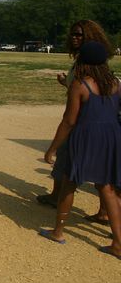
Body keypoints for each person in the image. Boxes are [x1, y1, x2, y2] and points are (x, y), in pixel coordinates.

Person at [38, 41, 121, 259]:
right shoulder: (115, 83)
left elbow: (69, 121)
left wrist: (52, 149)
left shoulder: (80, 85)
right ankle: (118, 242)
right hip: (111, 137)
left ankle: (58, 231)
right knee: (107, 188)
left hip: (86, 137)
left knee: (69, 183)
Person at [39, 19, 115, 224]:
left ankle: (60, 211)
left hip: (82, 125)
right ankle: (103, 212)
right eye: (73, 33)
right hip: (91, 124)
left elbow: (91, 94)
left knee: (67, 165)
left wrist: (51, 148)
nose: (74, 37)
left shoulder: (91, 63)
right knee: (100, 174)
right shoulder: (86, 61)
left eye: (79, 34)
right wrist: (67, 84)